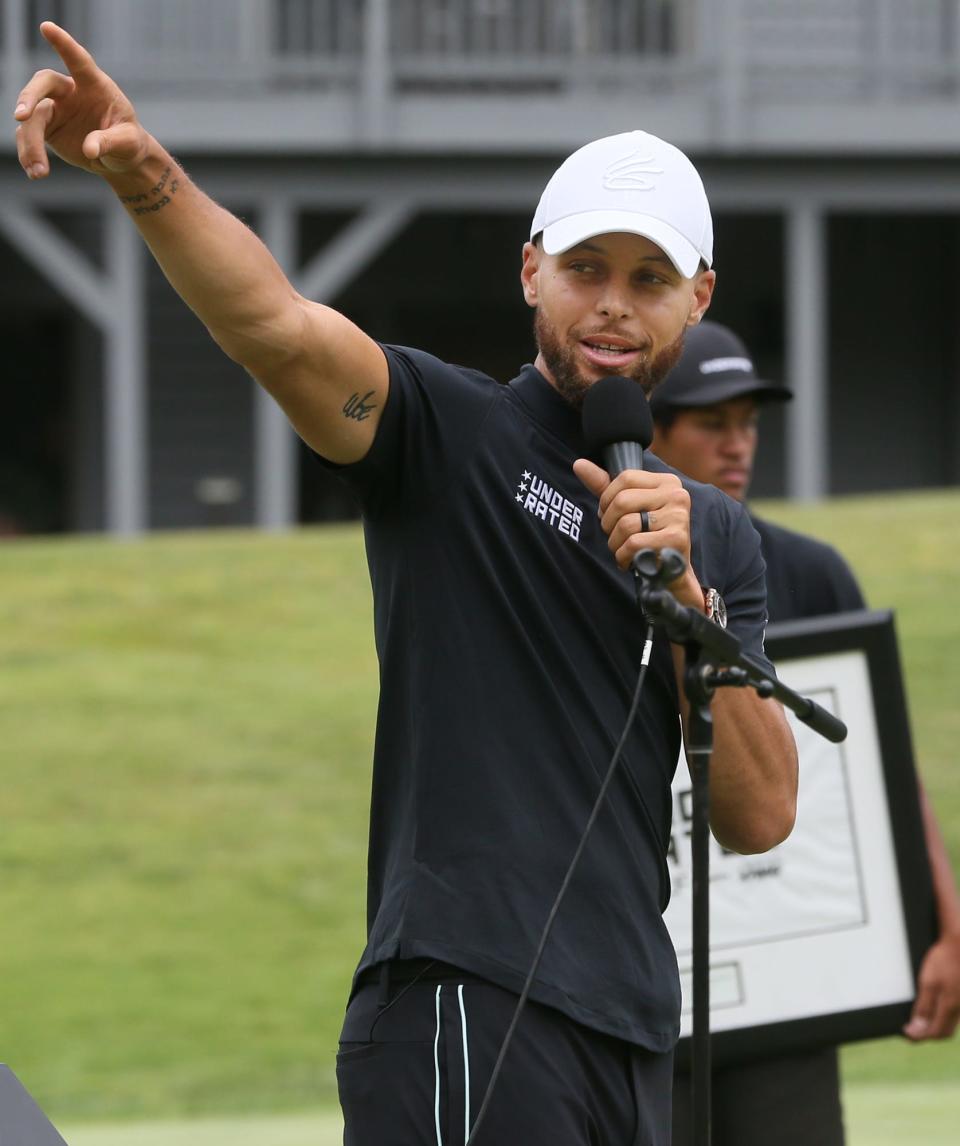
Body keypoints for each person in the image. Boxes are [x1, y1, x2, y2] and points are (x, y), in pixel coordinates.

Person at [15, 24, 799, 1144]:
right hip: (462, 999)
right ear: (532, 269)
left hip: (632, 1030)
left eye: (649, 279)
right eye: (585, 270)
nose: (614, 306)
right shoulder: (451, 430)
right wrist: (149, 179)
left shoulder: (712, 531)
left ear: (698, 295)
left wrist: (690, 612)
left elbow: (763, 815)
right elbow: (278, 328)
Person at [650, 320, 960, 1146]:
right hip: (643, 990)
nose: (738, 444)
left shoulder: (811, 572)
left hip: (792, 989)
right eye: (712, 423)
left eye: (748, 422)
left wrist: (941, 918)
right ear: (650, 428)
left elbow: (874, 757)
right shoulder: (585, 559)